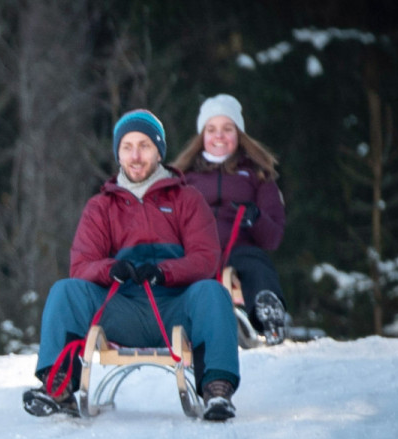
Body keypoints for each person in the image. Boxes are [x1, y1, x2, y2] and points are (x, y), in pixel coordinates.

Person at [23, 110, 240, 421]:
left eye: (144, 146)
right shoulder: (102, 207)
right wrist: (110, 269)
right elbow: (82, 264)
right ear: (118, 153)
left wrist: (166, 272)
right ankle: (58, 386)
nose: (136, 156)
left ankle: (216, 390)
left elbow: (206, 259)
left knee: (213, 292)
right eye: (127, 147)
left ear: (159, 151)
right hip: (121, 309)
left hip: (176, 309)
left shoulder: (187, 199)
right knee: (66, 291)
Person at [171, 93, 289, 343]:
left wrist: (255, 217)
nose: (219, 136)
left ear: (239, 134)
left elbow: (273, 238)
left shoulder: (258, 175)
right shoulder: (183, 178)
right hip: (196, 248)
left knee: (255, 264)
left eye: (227, 129)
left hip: (240, 247)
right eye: (212, 129)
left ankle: (268, 315)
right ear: (202, 135)